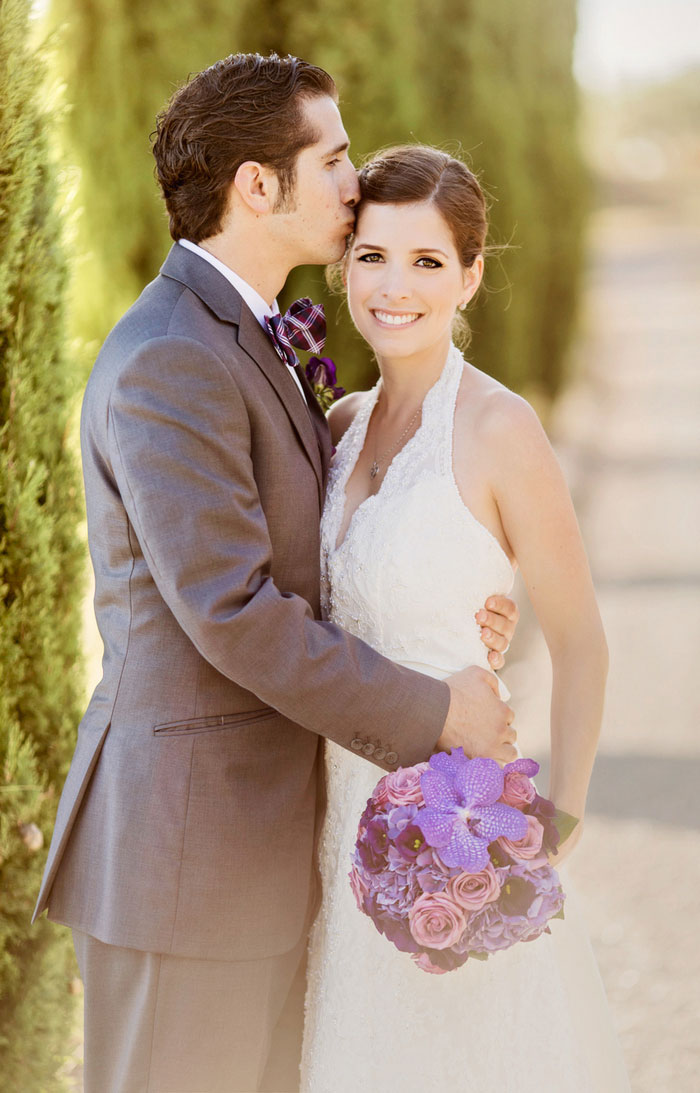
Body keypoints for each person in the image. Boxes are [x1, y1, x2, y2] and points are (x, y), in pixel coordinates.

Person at [32, 56, 521, 1093]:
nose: (355, 182)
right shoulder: (172, 356)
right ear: (258, 186)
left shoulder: (241, 337)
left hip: (251, 859)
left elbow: (310, 566)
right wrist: (437, 709)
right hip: (184, 865)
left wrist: (442, 610)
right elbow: (236, 612)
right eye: (334, 159)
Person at [300, 145, 630, 1091]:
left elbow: (582, 643)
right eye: (371, 256)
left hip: (451, 841)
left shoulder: (499, 430)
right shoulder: (336, 426)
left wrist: (551, 821)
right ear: (344, 264)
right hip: (332, 825)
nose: (393, 286)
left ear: (471, 276)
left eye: (427, 261)